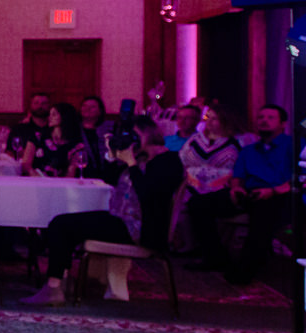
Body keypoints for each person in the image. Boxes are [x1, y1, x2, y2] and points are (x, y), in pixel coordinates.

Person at [23, 116, 185, 304]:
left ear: (146, 135)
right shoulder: (142, 158)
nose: (128, 141)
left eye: (132, 136)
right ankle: (60, 282)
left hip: (142, 229)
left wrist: (131, 164)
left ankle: (54, 288)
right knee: (62, 222)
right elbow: (108, 180)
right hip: (122, 221)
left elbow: (149, 195)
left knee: (61, 224)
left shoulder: (169, 161)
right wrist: (112, 156)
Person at [189, 102, 293, 283]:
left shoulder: (293, 146)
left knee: (263, 212)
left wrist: (273, 191)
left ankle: (246, 269)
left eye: (270, 118)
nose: (264, 121)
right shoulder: (248, 150)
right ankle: (216, 257)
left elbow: (299, 179)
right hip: (250, 192)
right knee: (198, 204)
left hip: (280, 195)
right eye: (261, 117)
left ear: (283, 123)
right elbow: (238, 175)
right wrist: (236, 188)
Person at [29, 102, 85, 177]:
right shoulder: (38, 136)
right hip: (38, 180)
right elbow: (26, 163)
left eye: (54, 114)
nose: (49, 117)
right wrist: (34, 175)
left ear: (65, 116)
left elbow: (72, 170)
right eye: (50, 114)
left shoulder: (76, 144)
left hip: (62, 183)